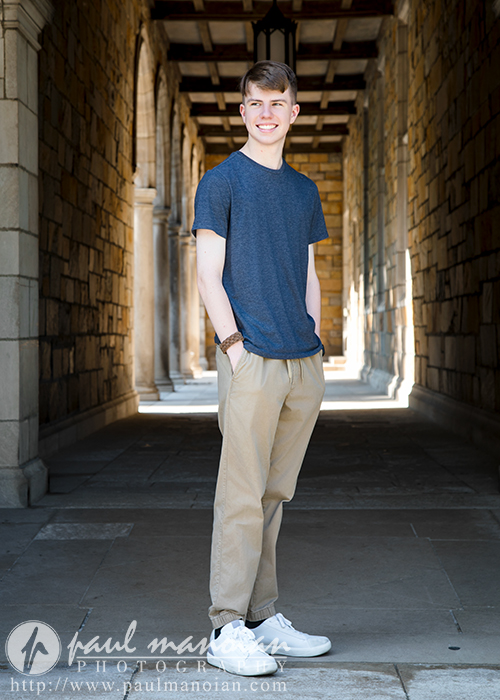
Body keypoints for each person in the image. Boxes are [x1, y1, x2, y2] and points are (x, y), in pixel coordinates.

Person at [193, 60, 331, 677]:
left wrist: (316, 343)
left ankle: (262, 617)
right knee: (241, 495)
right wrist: (233, 349)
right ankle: (226, 627)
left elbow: (308, 273)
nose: (268, 113)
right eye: (257, 103)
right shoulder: (219, 182)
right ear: (243, 111)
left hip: (302, 362)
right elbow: (207, 273)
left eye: (279, 103)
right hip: (250, 358)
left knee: (276, 493)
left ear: (294, 113)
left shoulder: (304, 191)